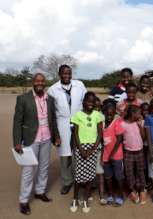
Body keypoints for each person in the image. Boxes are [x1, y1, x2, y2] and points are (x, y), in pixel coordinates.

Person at [13, 73, 61, 215]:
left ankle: (40, 192)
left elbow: (53, 120)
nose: (40, 83)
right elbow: (17, 122)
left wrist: (56, 136)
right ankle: (23, 200)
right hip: (30, 139)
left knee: (44, 167)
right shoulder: (23, 99)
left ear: (45, 83)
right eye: (37, 81)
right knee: (28, 170)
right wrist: (17, 142)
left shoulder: (50, 100)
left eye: (42, 81)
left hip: (46, 138)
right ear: (33, 82)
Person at [48, 65, 87, 195]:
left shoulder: (79, 85)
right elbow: (51, 114)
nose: (67, 76)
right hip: (62, 124)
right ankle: (67, 182)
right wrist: (55, 135)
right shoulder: (53, 90)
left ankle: (80, 180)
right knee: (65, 156)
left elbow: (87, 102)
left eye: (69, 73)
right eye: (64, 73)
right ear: (59, 74)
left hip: (79, 123)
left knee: (80, 152)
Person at [70, 92, 104, 213]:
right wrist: (81, 149)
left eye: (92, 101)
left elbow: (100, 133)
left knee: (90, 176)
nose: (90, 104)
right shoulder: (77, 115)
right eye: (88, 101)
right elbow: (75, 134)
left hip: (93, 147)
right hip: (80, 147)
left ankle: (85, 199)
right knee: (79, 176)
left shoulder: (97, 115)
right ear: (83, 101)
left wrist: (92, 149)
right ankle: (74, 199)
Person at [101, 101, 125, 206]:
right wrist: (104, 155)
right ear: (104, 113)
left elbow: (119, 139)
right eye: (107, 114)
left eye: (111, 114)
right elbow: (102, 141)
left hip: (116, 155)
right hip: (106, 156)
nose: (109, 116)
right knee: (108, 177)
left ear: (114, 113)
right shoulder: (102, 124)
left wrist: (112, 154)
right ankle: (110, 195)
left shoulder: (117, 122)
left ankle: (120, 196)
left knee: (118, 177)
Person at [121, 105, 147, 204]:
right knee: (129, 172)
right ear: (132, 114)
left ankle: (142, 190)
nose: (140, 115)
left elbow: (143, 137)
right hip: (128, 152)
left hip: (139, 151)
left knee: (140, 172)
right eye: (138, 113)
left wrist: (140, 126)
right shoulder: (123, 124)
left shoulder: (139, 123)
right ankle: (132, 190)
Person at [94, 97, 106, 204]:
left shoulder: (102, 117)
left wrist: (103, 152)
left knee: (100, 172)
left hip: (99, 148)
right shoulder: (85, 116)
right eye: (95, 106)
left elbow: (103, 134)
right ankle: (88, 194)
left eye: (99, 107)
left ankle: (102, 195)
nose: (97, 109)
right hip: (88, 148)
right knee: (88, 172)